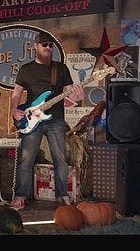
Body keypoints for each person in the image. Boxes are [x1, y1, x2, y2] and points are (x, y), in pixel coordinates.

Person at [9, 31, 85, 210]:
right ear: (35, 47)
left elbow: (69, 96)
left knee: (60, 158)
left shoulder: (61, 69)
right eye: (44, 45)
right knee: (26, 159)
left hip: (56, 119)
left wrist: (78, 97)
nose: (48, 48)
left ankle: (63, 196)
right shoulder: (26, 69)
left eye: (51, 45)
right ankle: (20, 197)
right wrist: (14, 109)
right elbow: (16, 93)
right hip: (31, 119)